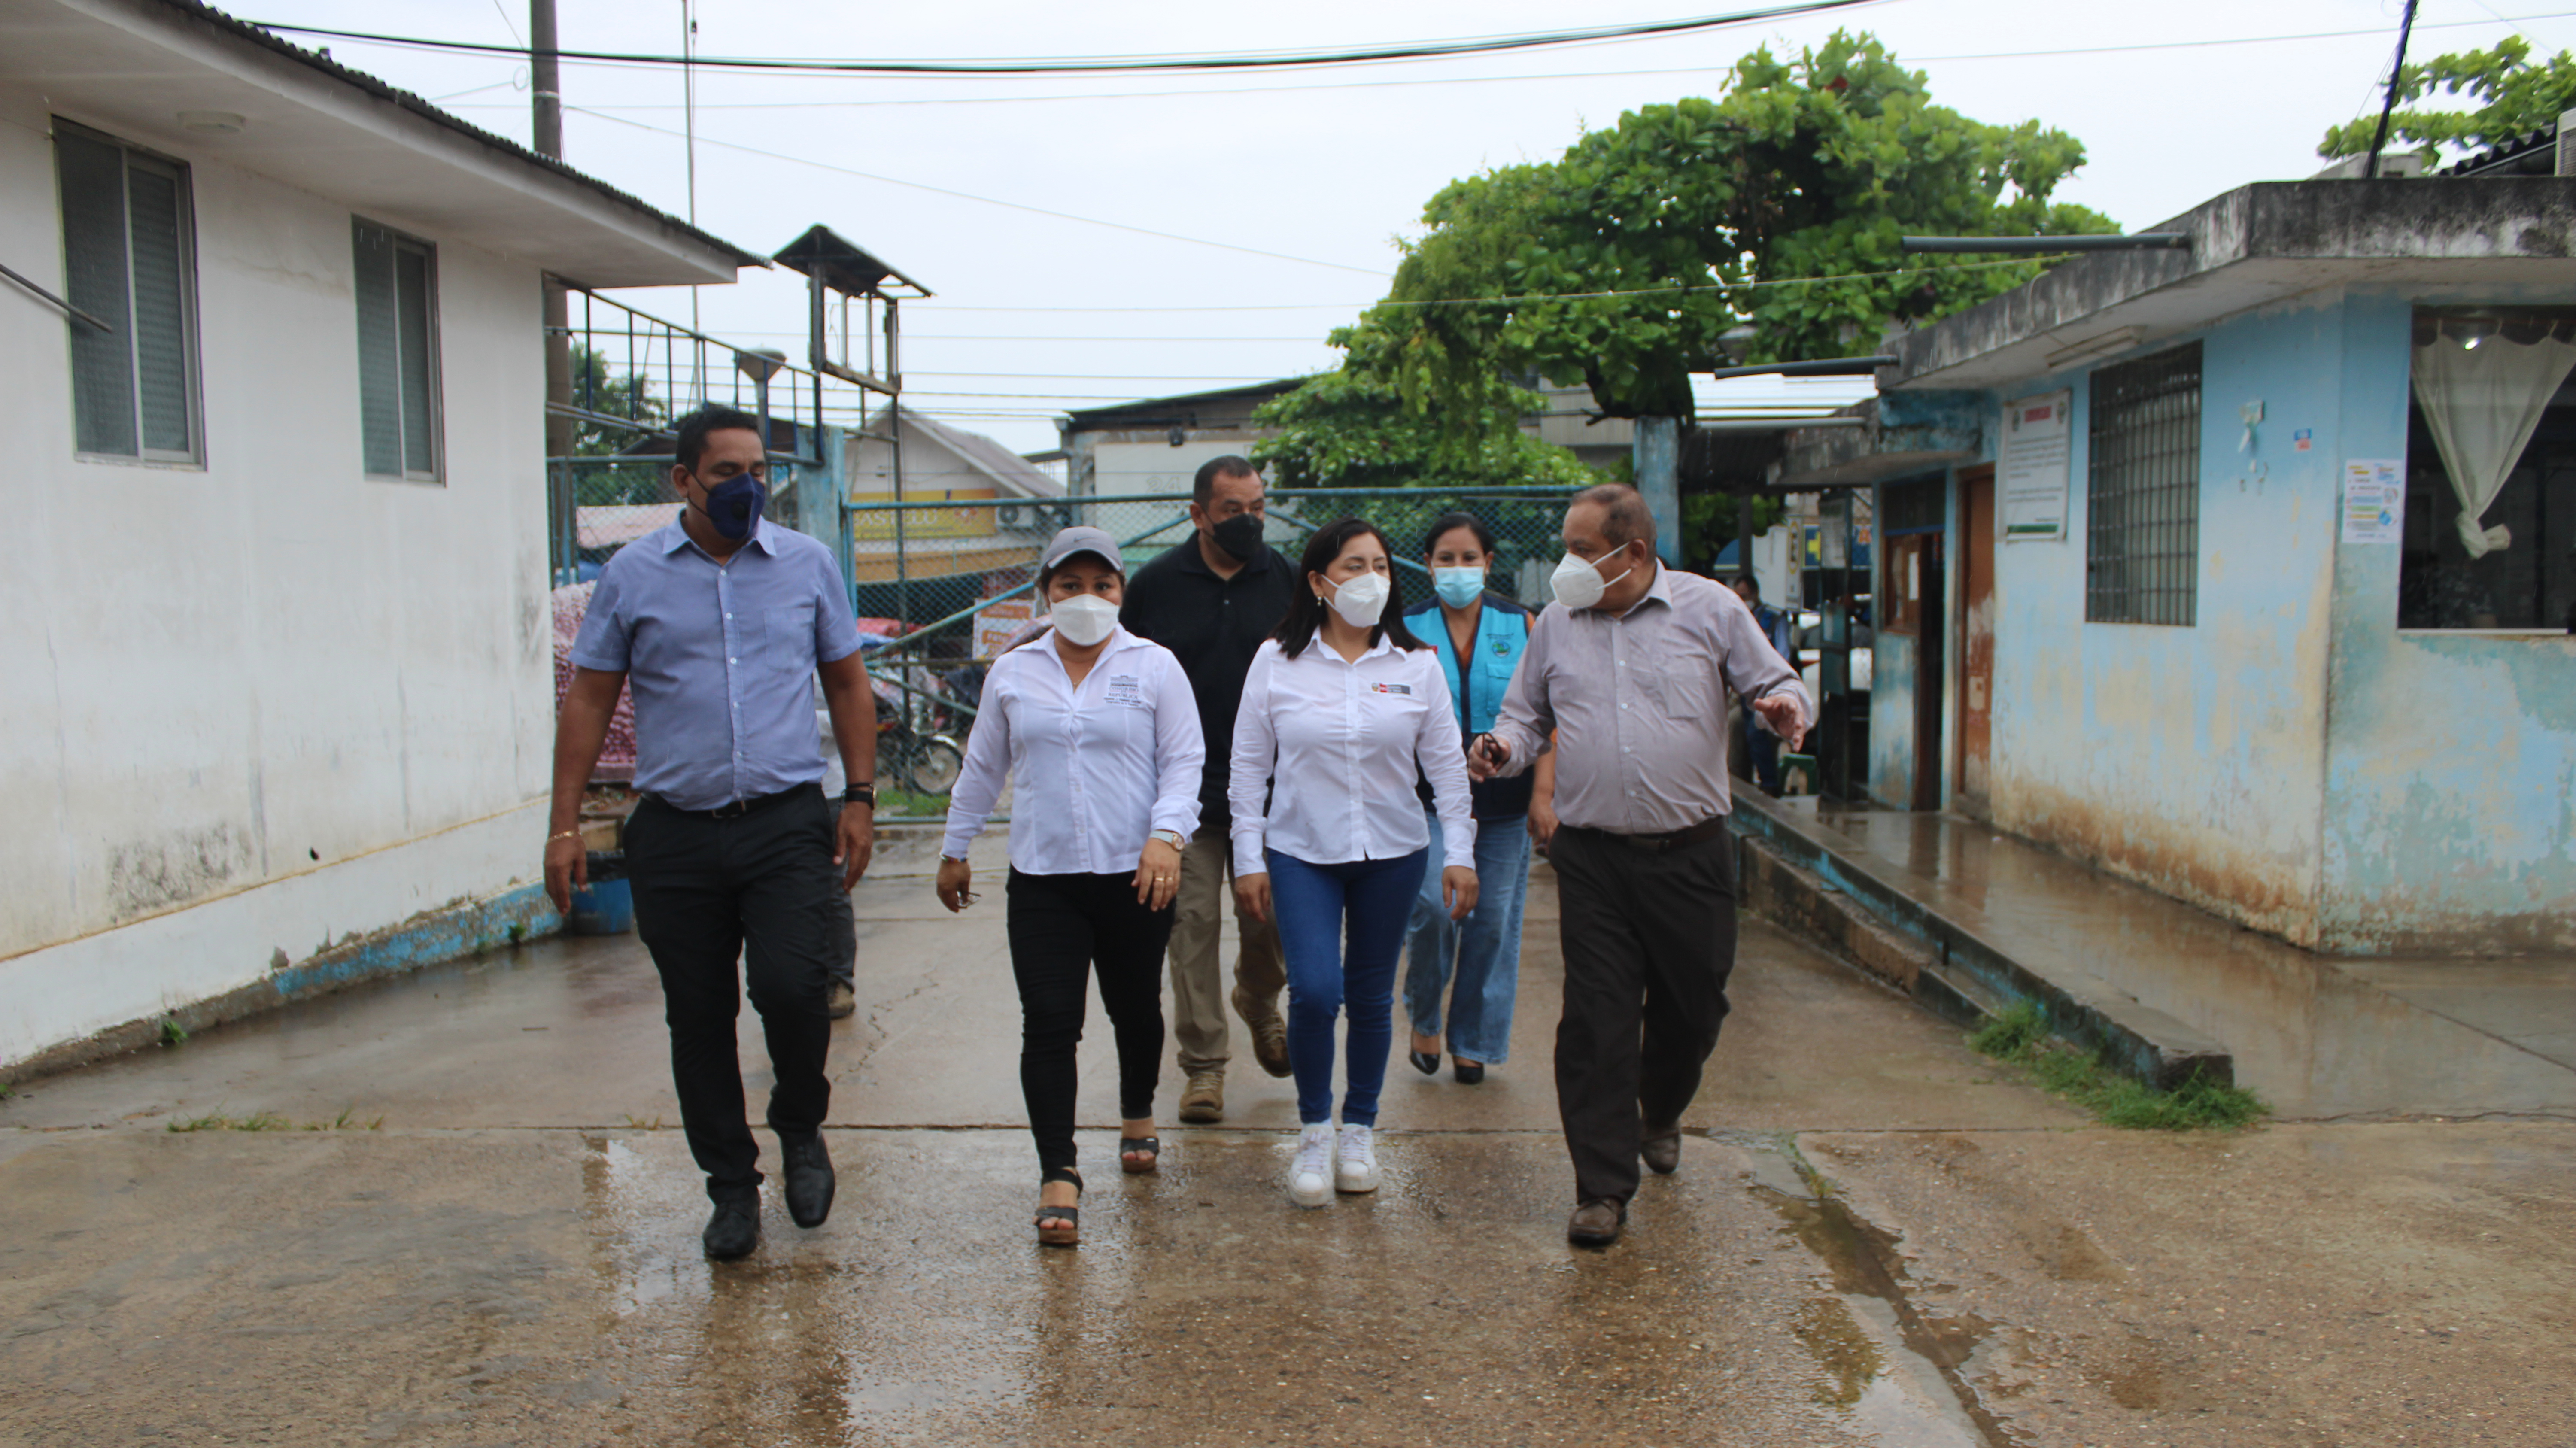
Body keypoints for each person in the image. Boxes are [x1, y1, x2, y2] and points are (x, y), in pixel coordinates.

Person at [547, 405, 879, 1262]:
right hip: (677, 835)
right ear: (683, 481)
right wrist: (563, 825)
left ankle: (801, 1128)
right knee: (698, 1016)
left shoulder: (806, 565)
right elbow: (587, 697)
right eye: (727, 472)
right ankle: (732, 1188)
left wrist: (861, 797)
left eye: (756, 470)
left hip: (783, 823)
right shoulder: (632, 575)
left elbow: (846, 684)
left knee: (795, 989)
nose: (747, 486)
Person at [1468, 484, 1810, 1248]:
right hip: (1592, 857)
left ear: (1636, 553)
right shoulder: (1557, 623)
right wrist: (1501, 749)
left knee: (1694, 1009)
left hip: (1690, 854)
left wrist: (1786, 707)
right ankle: (1602, 1187)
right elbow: (1525, 717)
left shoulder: (1710, 608)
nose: (1568, 565)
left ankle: (1660, 1107)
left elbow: (1775, 679)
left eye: (1584, 551)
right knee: (1596, 1021)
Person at [936, 527, 1203, 1247]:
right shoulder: (1014, 673)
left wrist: (1167, 834)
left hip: (1136, 873)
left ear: (1121, 592)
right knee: (1050, 1020)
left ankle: (1138, 1109)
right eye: (1069, 586)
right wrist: (955, 848)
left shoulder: (1155, 667)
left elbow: (1184, 760)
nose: (1087, 599)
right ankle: (1059, 1168)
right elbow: (983, 767)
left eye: (1102, 586)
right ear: (1045, 594)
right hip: (1044, 877)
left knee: (1135, 1007)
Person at [1229, 518, 1478, 1208]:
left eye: (1380, 565)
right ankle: (1314, 1129)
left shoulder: (1416, 663)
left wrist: (1460, 853)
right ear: (1318, 582)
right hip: (1300, 850)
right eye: (1353, 565)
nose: (1370, 578)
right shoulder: (1275, 663)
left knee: (1370, 996)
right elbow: (1249, 769)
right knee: (1314, 989)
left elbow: (1447, 773)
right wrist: (1248, 859)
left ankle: (1359, 1130)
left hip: (1394, 852)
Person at [1118, 456, 1295, 1124]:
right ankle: (1205, 1067)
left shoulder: (1288, 581)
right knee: (1189, 926)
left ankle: (1257, 998)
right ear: (1198, 514)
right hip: (1181, 794)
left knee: (1273, 920)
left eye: (1257, 507)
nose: (1249, 521)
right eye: (1232, 510)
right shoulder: (1157, 586)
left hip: (1273, 794)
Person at [1399, 513, 1557, 1085]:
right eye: (1446, 558)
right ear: (1428, 565)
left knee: (1491, 923)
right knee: (1435, 910)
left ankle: (1475, 1041)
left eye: (1470, 558)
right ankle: (1423, 1014)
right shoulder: (1405, 627)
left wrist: (1544, 794)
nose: (1458, 569)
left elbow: (1547, 716)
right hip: (1426, 802)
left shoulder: (1523, 624)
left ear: (1489, 564)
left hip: (1506, 803)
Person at [1728, 574, 1796, 798]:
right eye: (1738, 595)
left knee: (1758, 735)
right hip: (1748, 689)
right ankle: (1759, 783)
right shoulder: (1738, 618)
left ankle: (1770, 784)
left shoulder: (1773, 619)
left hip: (1768, 690)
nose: (1741, 599)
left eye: (1745, 596)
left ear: (1755, 595)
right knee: (1750, 736)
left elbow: (1782, 654)